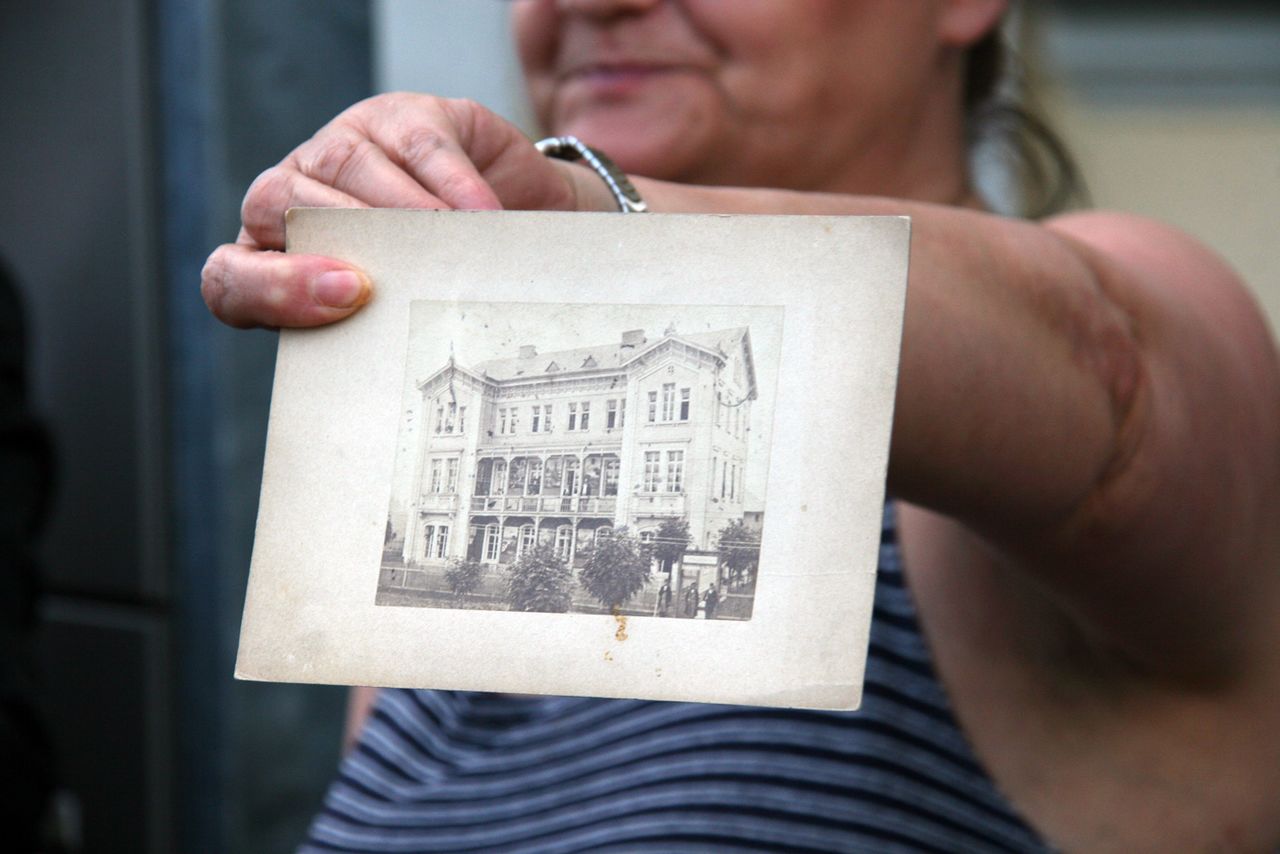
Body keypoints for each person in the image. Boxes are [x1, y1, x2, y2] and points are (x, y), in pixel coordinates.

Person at [203, 1, 1280, 850]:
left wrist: (594, 232)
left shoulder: (1102, 375)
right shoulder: (446, 565)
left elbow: (1106, 371)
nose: (591, 2)